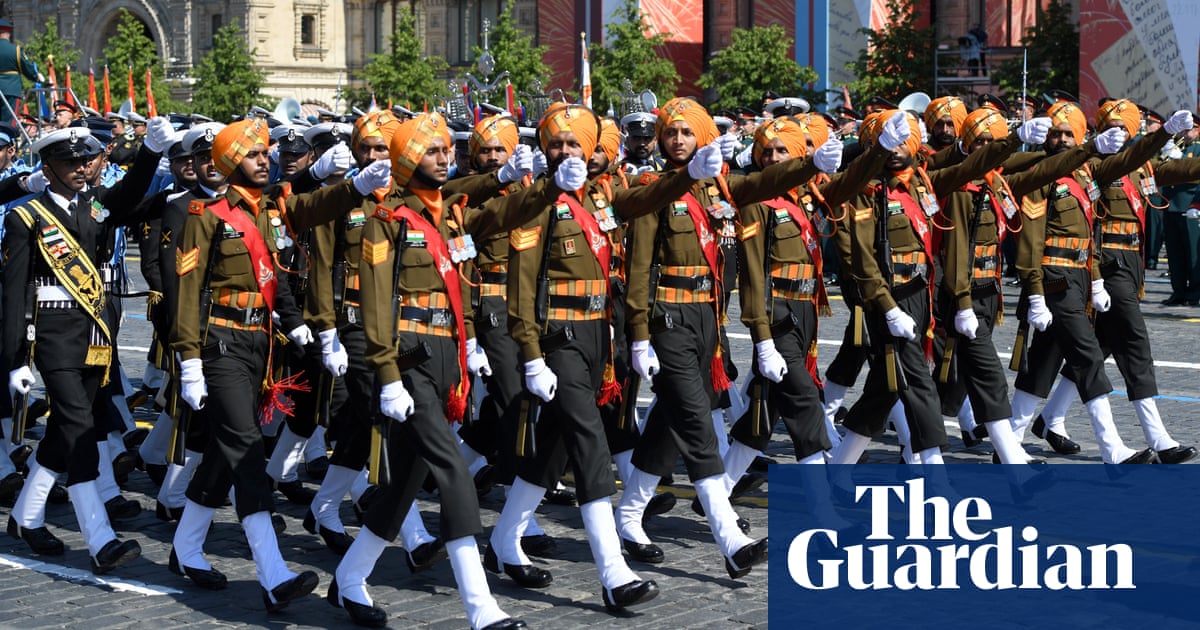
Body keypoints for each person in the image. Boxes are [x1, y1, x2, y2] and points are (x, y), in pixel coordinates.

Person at [489, 103, 717, 611]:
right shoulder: (535, 201)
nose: (565, 151)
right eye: (556, 143)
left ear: (592, 148)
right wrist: (531, 355)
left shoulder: (600, 195)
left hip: (597, 336)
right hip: (559, 339)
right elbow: (520, 290)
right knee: (591, 446)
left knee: (553, 447)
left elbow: (646, 198)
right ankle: (613, 572)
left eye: (575, 143)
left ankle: (504, 539)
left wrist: (687, 178)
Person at [330, 112, 551, 629]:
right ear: (410, 161)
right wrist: (387, 377)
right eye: (432, 151)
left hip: (443, 358)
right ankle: (480, 606)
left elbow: (503, 213)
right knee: (453, 472)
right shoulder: (387, 220)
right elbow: (376, 306)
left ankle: (348, 578)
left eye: (446, 150)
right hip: (408, 362)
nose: (444, 157)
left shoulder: (448, 215)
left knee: (404, 483)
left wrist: (547, 188)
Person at [617, 97, 838, 576]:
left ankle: (629, 514)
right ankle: (730, 538)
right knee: (697, 424)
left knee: (668, 422)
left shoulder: (717, 188)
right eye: (671, 132)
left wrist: (811, 164)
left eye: (686, 132)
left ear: (703, 138)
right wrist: (638, 335)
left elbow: (763, 182)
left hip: (705, 320)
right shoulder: (652, 188)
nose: (678, 140)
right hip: (668, 319)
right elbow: (638, 268)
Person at [169, 118, 381, 608]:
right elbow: (186, 294)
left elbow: (309, 216)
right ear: (229, 162)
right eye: (253, 154)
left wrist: (356, 187)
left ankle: (185, 546)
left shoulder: (272, 209)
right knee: (245, 448)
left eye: (266, 153)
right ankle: (273, 571)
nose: (265, 160)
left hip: (258, 343)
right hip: (218, 342)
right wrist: (188, 361)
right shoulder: (204, 214)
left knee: (226, 449)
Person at [3, 122, 167, 573]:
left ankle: (26, 517)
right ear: (47, 167)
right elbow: (14, 293)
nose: (80, 168)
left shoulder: (94, 207)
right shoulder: (26, 217)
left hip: (95, 335)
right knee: (80, 427)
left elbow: (129, 195)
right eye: (68, 162)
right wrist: (16, 359)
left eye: (84, 160)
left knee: (64, 430)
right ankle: (100, 537)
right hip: (52, 336)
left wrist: (150, 153)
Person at [1006, 100, 1179, 464]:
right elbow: (1031, 243)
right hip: (1054, 280)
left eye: (1069, 134)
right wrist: (1035, 294)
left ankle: (1010, 439)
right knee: (1088, 357)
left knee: (1044, 358)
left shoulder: (1085, 174)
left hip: (1081, 277)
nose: (1062, 140)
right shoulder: (1040, 175)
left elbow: (1128, 163)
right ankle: (1112, 449)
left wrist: (1164, 133)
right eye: (1056, 134)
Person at [0, 19, 40, 124]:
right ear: (8, 33)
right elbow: (27, 67)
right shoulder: (15, 50)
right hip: (11, 89)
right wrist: (35, 76)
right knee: (9, 123)